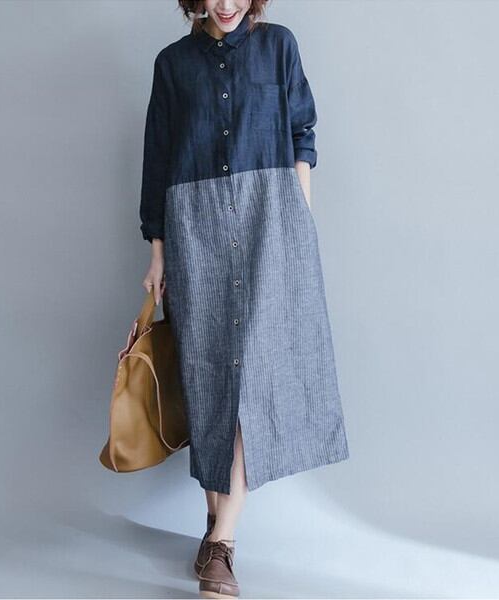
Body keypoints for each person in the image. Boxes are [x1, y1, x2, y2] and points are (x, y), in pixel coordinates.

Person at [139, 1, 350, 597]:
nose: (226, 4)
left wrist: (298, 218)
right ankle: (216, 526)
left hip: (269, 224)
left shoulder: (279, 45)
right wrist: (157, 253)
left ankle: (223, 543)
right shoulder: (173, 64)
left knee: (254, 378)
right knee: (208, 379)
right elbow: (157, 160)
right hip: (195, 229)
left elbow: (302, 132)